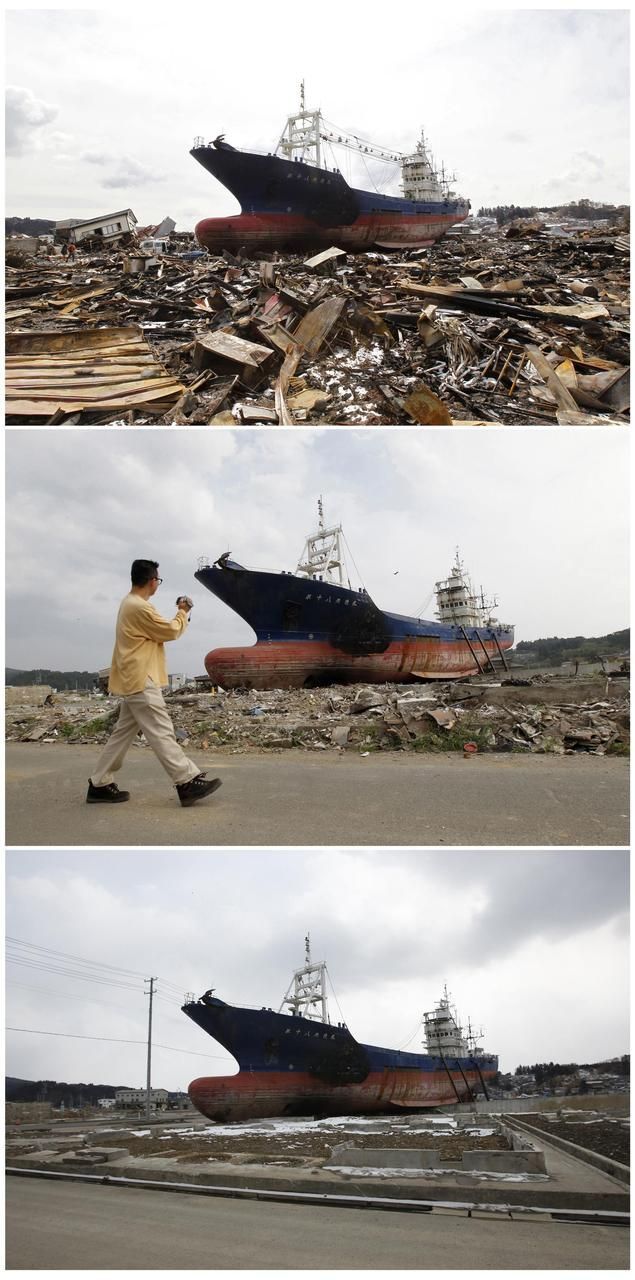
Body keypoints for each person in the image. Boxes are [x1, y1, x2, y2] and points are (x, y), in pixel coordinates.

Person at [87, 559, 221, 807]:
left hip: (132, 677)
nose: (157, 584)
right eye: (158, 580)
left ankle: (99, 783)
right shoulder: (139, 607)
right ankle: (186, 781)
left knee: (121, 735)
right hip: (140, 678)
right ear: (152, 581)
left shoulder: (130, 604)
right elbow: (169, 631)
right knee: (161, 731)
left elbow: (159, 630)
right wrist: (183, 611)